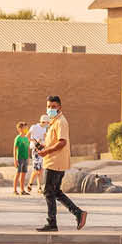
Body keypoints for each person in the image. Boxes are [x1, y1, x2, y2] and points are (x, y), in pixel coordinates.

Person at [37, 95, 86, 232]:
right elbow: (54, 141)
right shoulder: (53, 122)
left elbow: (62, 142)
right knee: (56, 192)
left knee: (48, 192)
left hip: (55, 162)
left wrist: (46, 151)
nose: (50, 109)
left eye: (53, 106)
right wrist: (43, 146)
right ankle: (78, 213)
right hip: (53, 160)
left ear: (59, 107)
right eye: (48, 106)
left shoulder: (61, 122)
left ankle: (52, 223)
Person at [26, 115, 48, 192]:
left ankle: (39, 187)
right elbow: (27, 136)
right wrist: (34, 141)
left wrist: (43, 141)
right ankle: (30, 183)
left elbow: (45, 138)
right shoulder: (34, 127)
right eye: (47, 123)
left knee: (40, 169)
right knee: (36, 169)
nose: (47, 124)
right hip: (35, 150)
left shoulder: (44, 128)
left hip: (42, 149)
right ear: (43, 121)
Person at [12, 122, 31, 195]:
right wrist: (15, 160)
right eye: (24, 128)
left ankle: (22, 190)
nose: (26, 129)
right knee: (18, 173)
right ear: (20, 129)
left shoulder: (26, 138)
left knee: (23, 174)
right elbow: (15, 149)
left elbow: (28, 148)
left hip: (25, 158)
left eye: (27, 128)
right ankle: (14, 190)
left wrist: (28, 158)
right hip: (19, 158)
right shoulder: (18, 138)